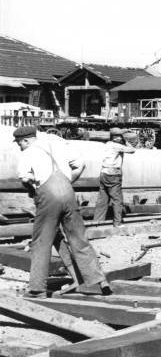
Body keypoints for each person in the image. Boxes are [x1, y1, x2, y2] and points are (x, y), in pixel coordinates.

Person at [14, 126, 111, 297]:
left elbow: (24, 178)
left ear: (26, 140)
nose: (19, 147)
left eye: (20, 143)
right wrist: (67, 182)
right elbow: (80, 165)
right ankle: (99, 282)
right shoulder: (57, 144)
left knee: (41, 242)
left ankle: (37, 289)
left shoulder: (28, 152)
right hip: (68, 192)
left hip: (48, 196)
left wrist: (33, 190)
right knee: (80, 239)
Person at [93, 128, 135, 227]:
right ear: (116, 137)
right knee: (117, 200)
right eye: (120, 136)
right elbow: (132, 150)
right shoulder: (117, 146)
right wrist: (126, 141)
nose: (121, 138)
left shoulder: (107, 144)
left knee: (102, 199)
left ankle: (97, 222)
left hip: (103, 173)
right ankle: (117, 223)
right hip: (113, 174)